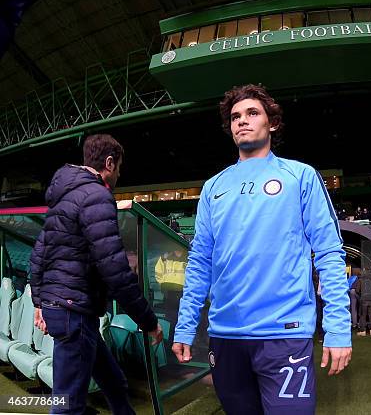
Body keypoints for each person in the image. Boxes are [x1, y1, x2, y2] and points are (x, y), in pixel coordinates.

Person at [173, 84, 351, 415]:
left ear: (272, 123)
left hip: (284, 334)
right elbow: (199, 263)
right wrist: (184, 326)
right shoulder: (213, 187)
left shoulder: (300, 177)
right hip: (226, 337)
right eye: (235, 116)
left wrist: (338, 328)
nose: (242, 120)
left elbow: (329, 254)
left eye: (252, 113)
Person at [29, 134, 163, 415]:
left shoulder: (65, 197)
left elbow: (39, 253)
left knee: (113, 382)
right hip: (73, 311)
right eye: (119, 168)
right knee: (67, 405)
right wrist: (148, 321)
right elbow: (115, 270)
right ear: (110, 163)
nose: (118, 175)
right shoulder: (98, 196)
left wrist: (39, 303)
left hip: (69, 309)